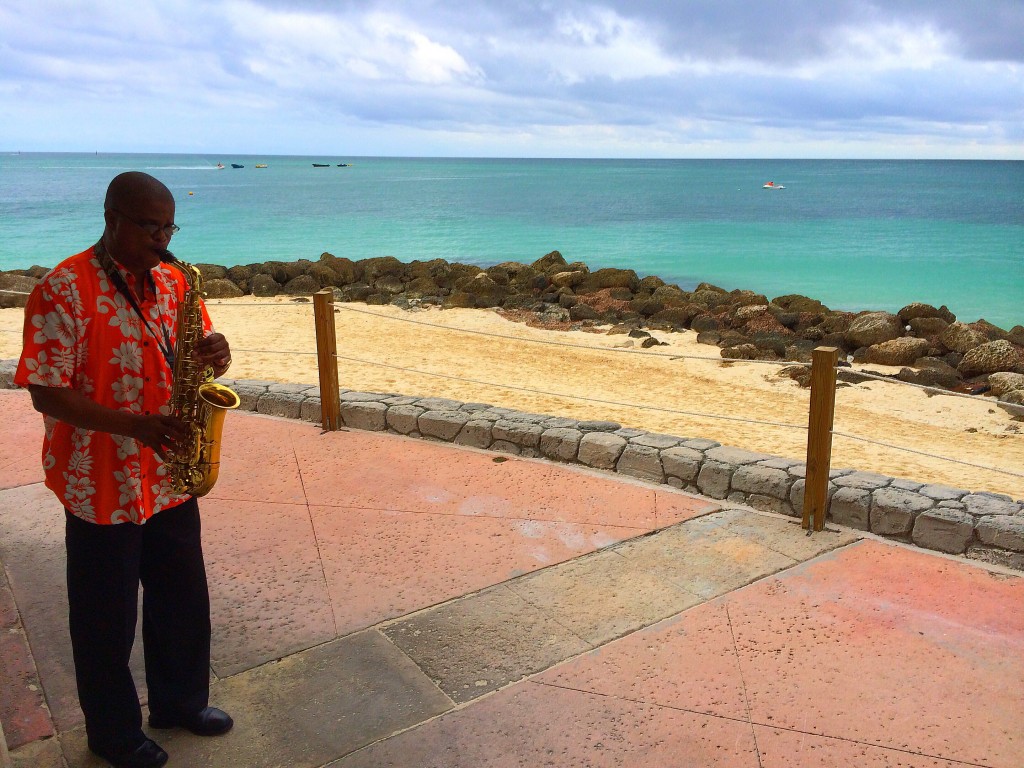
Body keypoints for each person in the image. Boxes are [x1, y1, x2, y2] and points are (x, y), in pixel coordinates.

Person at [15, 172, 234, 768]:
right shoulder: (62, 289)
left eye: (169, 227)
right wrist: (133, 425)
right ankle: (112, 733)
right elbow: (46, 393)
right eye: (149, 227)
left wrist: (217, 350)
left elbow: (194, 348)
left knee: (183, 600)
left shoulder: (174, 281)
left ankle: (181, 703)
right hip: (99, 480)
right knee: (104, 620)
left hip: (167, 473)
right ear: (112, 218)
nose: (162, 240)